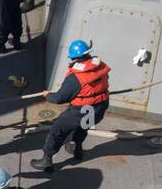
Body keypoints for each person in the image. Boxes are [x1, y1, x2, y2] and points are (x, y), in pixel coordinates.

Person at [30, 39, 109, 173]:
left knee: (57, 130)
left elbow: (60, 98)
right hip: (99, 108)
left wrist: (47, 95)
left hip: (81, 111)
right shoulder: (99, 66)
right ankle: (77, 149)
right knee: (83, 127)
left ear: (74, 58)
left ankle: (46, 160)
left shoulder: (76, 77)